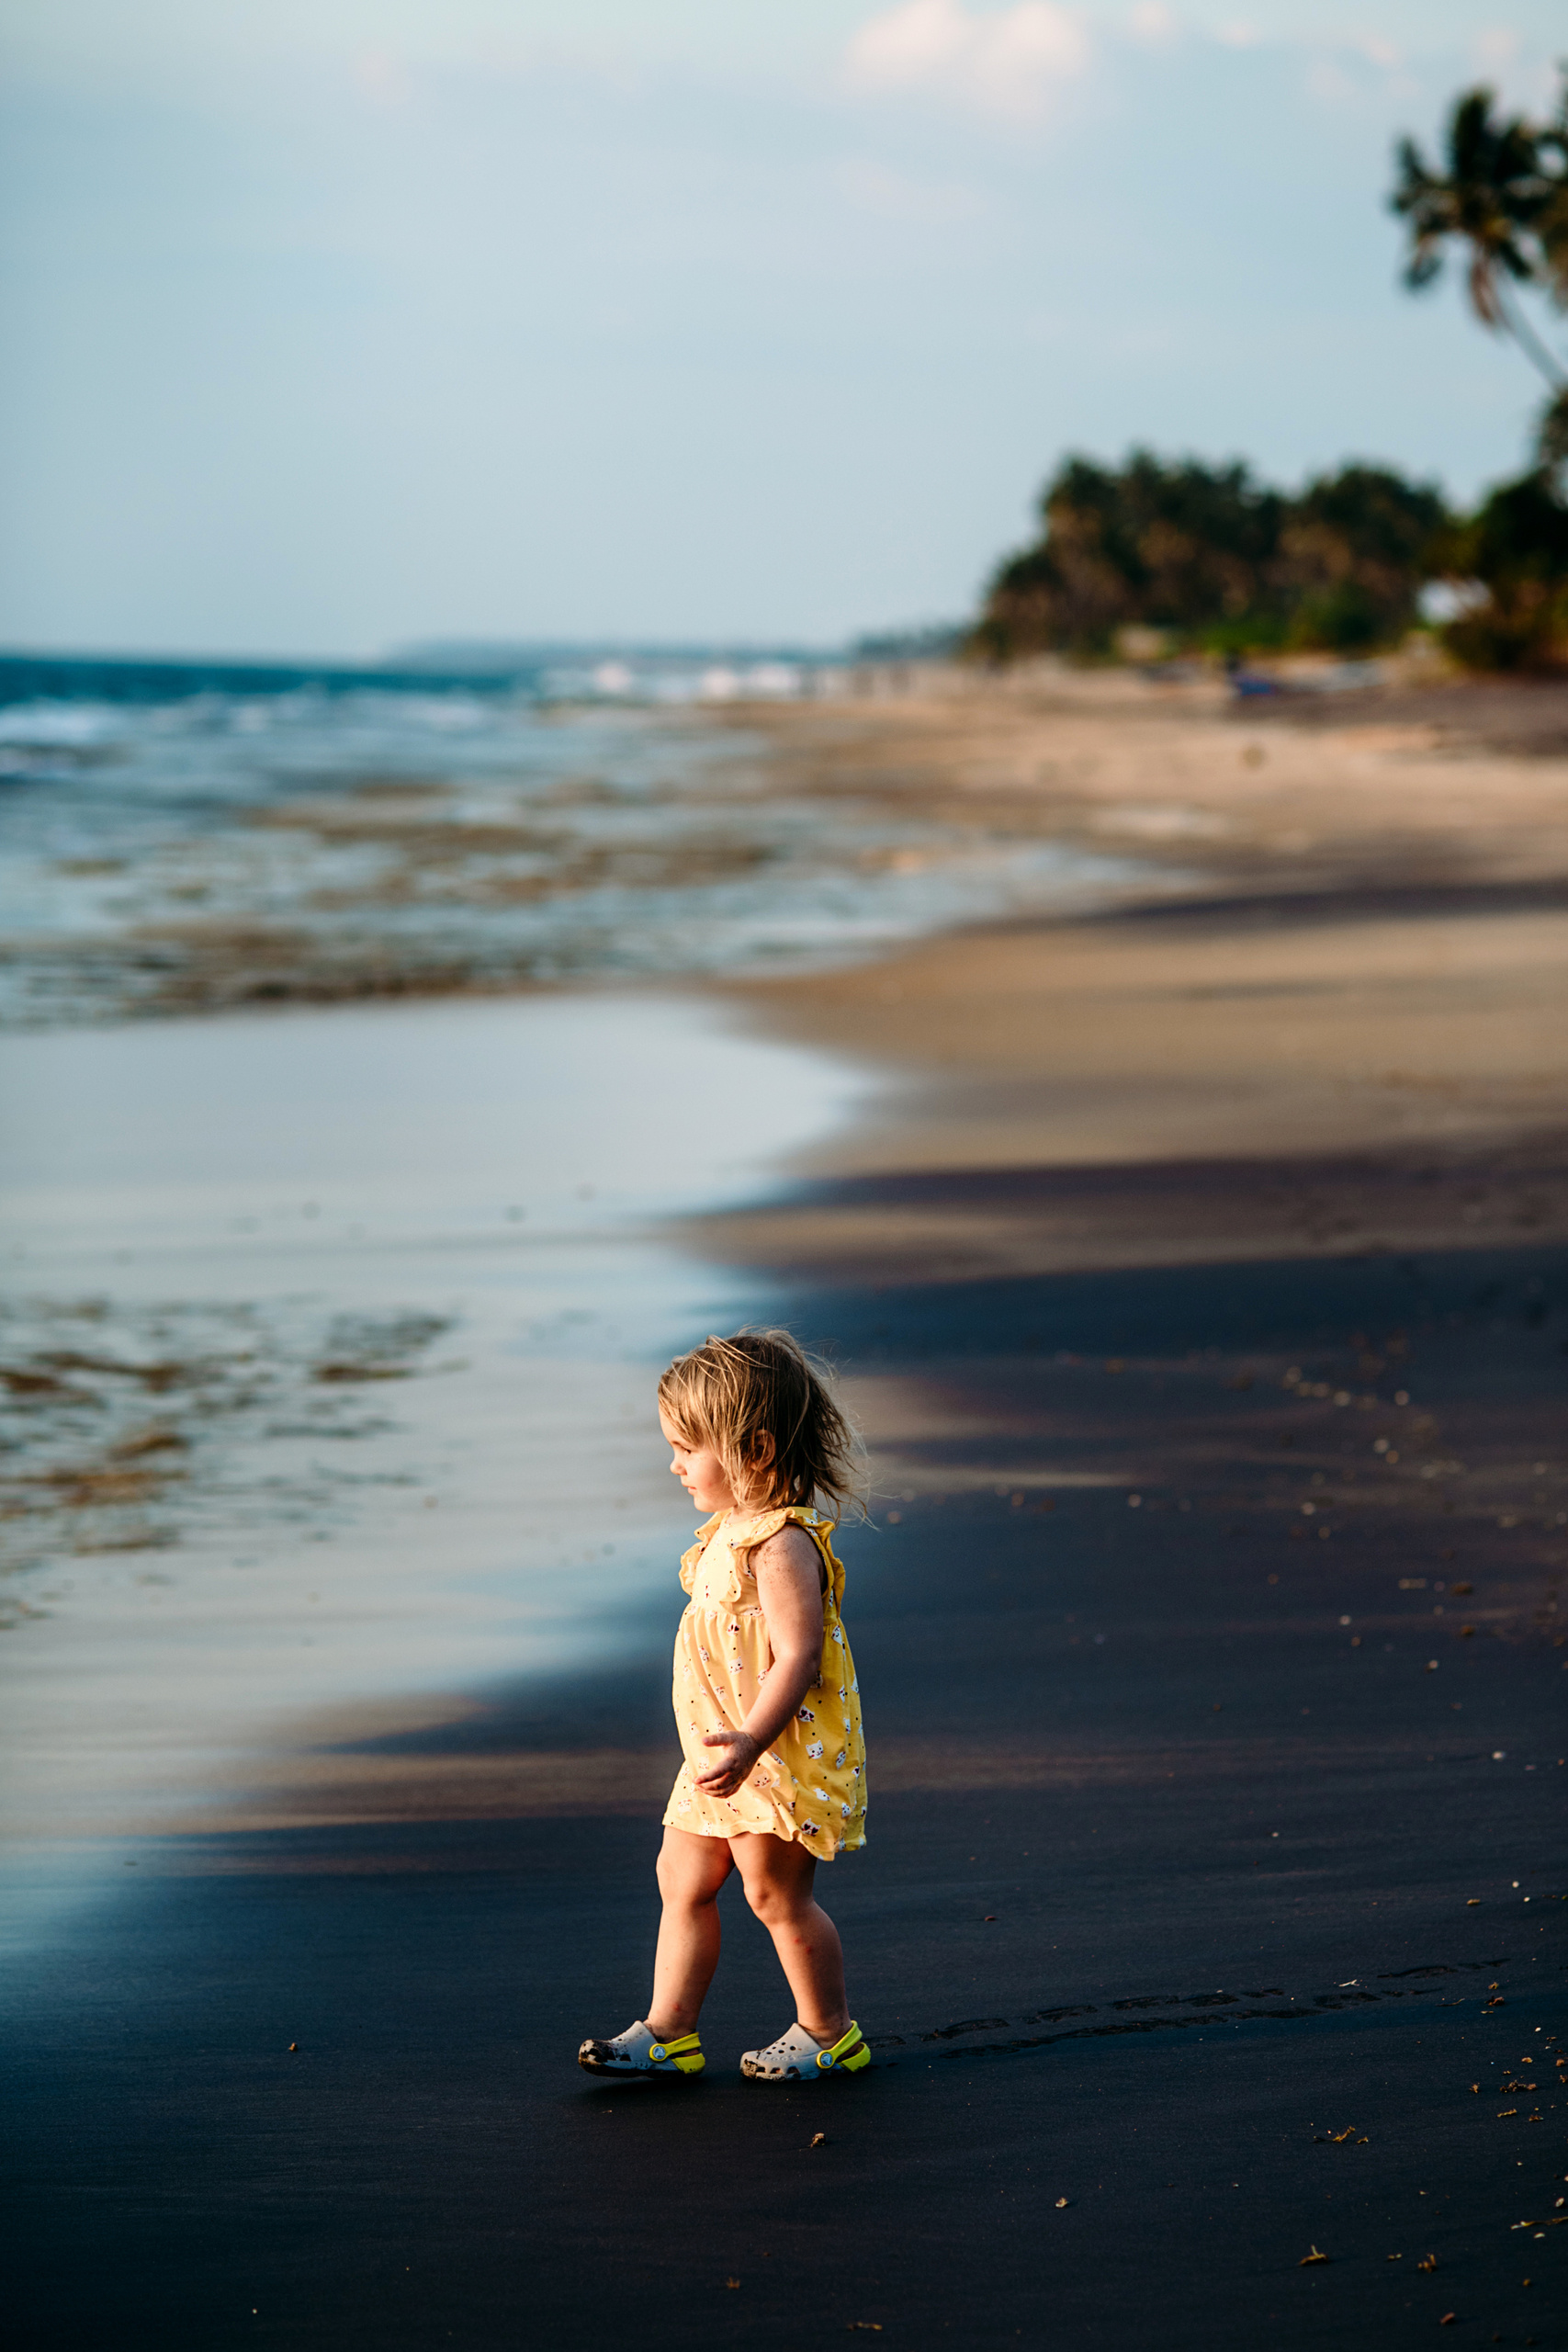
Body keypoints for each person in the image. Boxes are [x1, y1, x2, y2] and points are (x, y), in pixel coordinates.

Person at [578, 1329, 870, 2084]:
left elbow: (799, 1656)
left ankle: (829, 2032)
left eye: (687, 1448)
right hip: (715, 1756)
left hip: (766, 1754)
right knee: (681, 1880)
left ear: (756, 1450)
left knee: (773, 1895)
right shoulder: (723, 1535)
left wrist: (748, 1744)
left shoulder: (779, 1545)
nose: (673, 1464)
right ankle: (669, 2031)